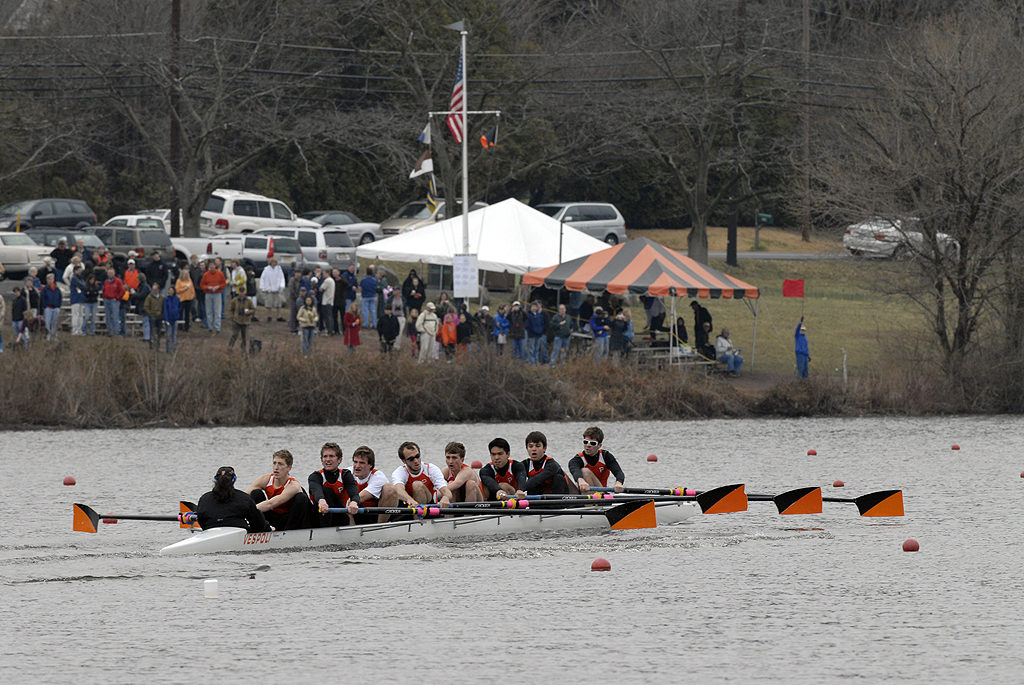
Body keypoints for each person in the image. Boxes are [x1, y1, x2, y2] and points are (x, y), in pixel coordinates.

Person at [246, 449, 314, 530]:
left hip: (291, 520)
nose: (276, 468)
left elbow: (271, 504)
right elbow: (244, 496)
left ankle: (289, 533)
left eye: (280, 464)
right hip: (274, 518)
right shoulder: (265, 479)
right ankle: (258, 529)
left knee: (301, 497)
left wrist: (247, 512)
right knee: (256, 493)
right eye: (274, 463)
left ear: (289, 468)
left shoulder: (293, 485)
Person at [196, 466, 271, 533]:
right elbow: (258, 524)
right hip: (239, 533)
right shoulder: (244, 498)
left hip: (211, 532)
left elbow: (201, 521)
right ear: (234, 479)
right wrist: (268, 528)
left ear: (215, 479)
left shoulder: (204, 499)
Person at [308, 442, 360, 527]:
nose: (328, 459)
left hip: (339, 517)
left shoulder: (345, 475)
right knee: (325, 491)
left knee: (330, 492)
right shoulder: (315, 476)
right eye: (325, 456)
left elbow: (354, 493)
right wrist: (321, 501)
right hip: (319, 516)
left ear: (339, 460)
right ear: (321, 460)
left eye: (331, 456)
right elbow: (316, 490)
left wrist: (354, 502)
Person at [392, 441, 452, 507]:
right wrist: (410, 500)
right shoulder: (399, 472)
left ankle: (419, 516)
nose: (416, 461)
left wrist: (446, 497)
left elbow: (446, 491)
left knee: (417, 485)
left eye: (417, 456)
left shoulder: (431, 469)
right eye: (411, 459)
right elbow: (398, 489)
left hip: (429, 506)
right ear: (404, 461)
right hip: (409, 506)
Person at [350, 445, 399, 524]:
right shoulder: (347, 472)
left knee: (389, 489)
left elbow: (361, 497)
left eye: (362, 463)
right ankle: (350, 529)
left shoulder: (378, 477)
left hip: (374, 514)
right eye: (355, 462)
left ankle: (380, 527)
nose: (357, 466)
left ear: (370, 465)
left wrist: (352, 502)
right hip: (356, 512)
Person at [568, 426, 626, 493]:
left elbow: (618, 472)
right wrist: (580, 480)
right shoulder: (577, 459)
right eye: (586, 442)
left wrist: (618, 483)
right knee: (561, 474)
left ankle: (590, 503)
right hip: (584, 490)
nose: (588, 445)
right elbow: (574, 469)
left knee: (585, 471)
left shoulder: (605, 456)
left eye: (592, 443)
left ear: (599, 446)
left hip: (601, 492)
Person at [521, 430, 572, 495]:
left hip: (558, 497)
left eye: (538, 446)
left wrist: (520, 489)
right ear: (526, 448)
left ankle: (557, 505)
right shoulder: (525, 464)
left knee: (558, 478)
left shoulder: (551, 464)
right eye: (530, 446)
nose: (534, 449)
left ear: (544, 448)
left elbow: (538, 479)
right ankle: (534, 504)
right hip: (540, 498)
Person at [200, 260, 226, 334]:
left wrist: (218, 286)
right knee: (209, 311)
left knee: (217, 311)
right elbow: (202, 285)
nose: (211, 267)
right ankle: (210, 327)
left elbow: (224, 283)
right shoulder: (206, 274)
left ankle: (218, 327)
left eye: (213, 265)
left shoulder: (220, 273)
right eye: (210, 265)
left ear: (215, 266)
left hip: (217, 293)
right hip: (208, 293)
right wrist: (208, 287)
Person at [258, 257, 286, 323]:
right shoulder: (266, 269)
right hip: (269, 289)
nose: (274, 264)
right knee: (269, 304)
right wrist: (262, 287)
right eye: (273, 262)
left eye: (275, 262)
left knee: (278, 303)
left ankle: (279, 316)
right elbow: (262, 278)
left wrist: (282, 286)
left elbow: (282, 278)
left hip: (277, 289)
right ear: (270, 263)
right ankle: (269, 316)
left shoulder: (279, 269)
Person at [227, 287, 254, 353]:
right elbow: (231, 309)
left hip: (245, 321)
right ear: (239, 292)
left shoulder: (249, 301)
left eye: (243, 292)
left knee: (244, 337)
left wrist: (249, 312)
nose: (241, 293)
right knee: (234, 335)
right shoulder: (234, 300)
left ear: (245, 292)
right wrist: (232, 317)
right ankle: (230, 347)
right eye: (240, 292)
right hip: (236, 321)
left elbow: (253, 309)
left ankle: (243, 349)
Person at [39, 273, 62, 341]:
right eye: (49, 279)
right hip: (48, 308)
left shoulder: (57, 289)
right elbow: (42, 298)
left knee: (55, 322)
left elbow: (60, 297)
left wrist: (58, 306)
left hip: (56, 308)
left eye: (51, 279)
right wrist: (45, 306)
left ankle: (54, 336)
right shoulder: (45, 289)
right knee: (47, 323)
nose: (50, 280)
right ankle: (48, 336)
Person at [143, 282, 164, 349]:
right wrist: (150, 313)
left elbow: (163, 306)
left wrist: (162, 313)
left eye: (155, 289)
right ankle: (151, 345)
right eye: (153, 289)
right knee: (152, 331)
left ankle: (158, 344)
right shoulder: (149, 297)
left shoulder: (162, 298)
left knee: (159, 331)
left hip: (160, 316)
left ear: (158, 290)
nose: (154, 291)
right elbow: (146, 307)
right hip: (152, 316)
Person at [174, 267, 195, 333]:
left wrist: (192, 296)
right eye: (185, 274)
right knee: (180, 313)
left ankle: (186, 326)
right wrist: (184, 289)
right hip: (181, 299)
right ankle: (180, 326)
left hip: (189, 299)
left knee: (187, 314)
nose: (186, 275)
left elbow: (192, 289)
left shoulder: (190, 281)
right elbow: (177, 290)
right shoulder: (179, 281)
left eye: (187, 274)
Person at [163, 281, 181, 353]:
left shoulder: (177, 299)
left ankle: (174, 349)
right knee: (168, 335)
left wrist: (177, 314)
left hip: (175, 319)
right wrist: (166, 319)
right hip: (168, 320)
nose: (170, 292)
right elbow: (165, 309)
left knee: (174, 335)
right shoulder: (166, 299)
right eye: (169, 290)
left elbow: (179, 307)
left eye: (171, 290)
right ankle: (168, 349)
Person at [318, 269, 336, 335]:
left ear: (327, 273)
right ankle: (330, 330)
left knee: (327, 317)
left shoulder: (327, 280)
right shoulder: (332, 280)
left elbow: (321, 289)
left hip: (326, 301)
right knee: (329, 316)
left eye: (324, 273)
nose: (323, 275)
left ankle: (329, 331)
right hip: (330, 301)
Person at [360, 265, 378, 329]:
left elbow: (361, 288)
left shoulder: (363, 280)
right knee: (373, 310)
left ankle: (366, 323)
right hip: (373, 295)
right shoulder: (374, 280)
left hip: (365, 296)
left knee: (365, 310)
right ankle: (374, 324)